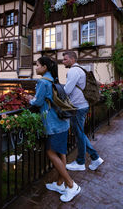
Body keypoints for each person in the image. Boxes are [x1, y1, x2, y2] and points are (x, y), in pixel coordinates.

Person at [27, 56, 81, 202]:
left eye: (37, 65)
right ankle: (59, 183)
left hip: (53, 124)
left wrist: (28, 99)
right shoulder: (55, 80)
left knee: (51, 152)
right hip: (63, 122)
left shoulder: (43, 82)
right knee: (61, 152)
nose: (36, 68)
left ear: (44, 67)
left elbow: (37, 102)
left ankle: (71, 185)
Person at [62, 51, 104, 171]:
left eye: (65, 59)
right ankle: (95, 158)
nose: (63, 61)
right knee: (80, 133)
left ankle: (80, 162)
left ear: (72, 59)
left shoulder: (73, 71)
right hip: (83, 105)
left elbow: (67, 90)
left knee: (79, 134)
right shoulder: (81, 70)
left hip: (77, 107)